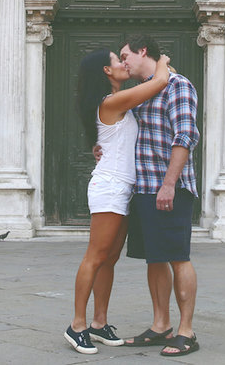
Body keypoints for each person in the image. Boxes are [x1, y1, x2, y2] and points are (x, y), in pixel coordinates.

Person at [65, 48, 172, 355]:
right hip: (110, 186)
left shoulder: (117, 102)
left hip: (124, 186)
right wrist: (162, 60)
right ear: (106, 72)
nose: (124, 63)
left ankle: (99, 323)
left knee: (109, 259)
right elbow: (158, 83)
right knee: (95, 257)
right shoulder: (111, 102)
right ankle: (77, 325)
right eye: (117, 60)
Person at [118, 34, 200, 357]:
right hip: (144, 189)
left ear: (142, 51)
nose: (123, 63)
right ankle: (160, 325)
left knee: (179, 257)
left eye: (126, 56)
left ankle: (187, 331)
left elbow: (185, 136)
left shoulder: (178, 86)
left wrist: (169, 184)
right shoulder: (143, 92)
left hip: (171, 189)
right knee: (154, 259)